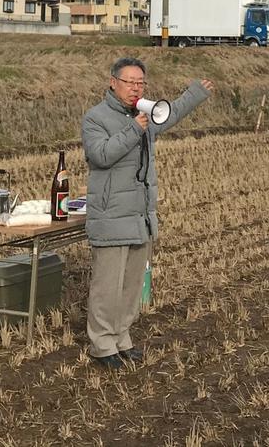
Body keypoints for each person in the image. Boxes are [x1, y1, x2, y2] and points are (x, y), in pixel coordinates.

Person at [82, 57, 210, 369]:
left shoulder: (145, 114)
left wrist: (194, 94)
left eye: (141, 83)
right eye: (130, 82)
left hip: (140, 216)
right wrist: (132, 129)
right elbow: (100, 155)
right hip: (112, 216)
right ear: (113, 83)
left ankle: (122, 337)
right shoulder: (96, 118)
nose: (136, 88)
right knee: (107, 287)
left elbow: (172, 113)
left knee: (130, 286)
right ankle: (102, 345)